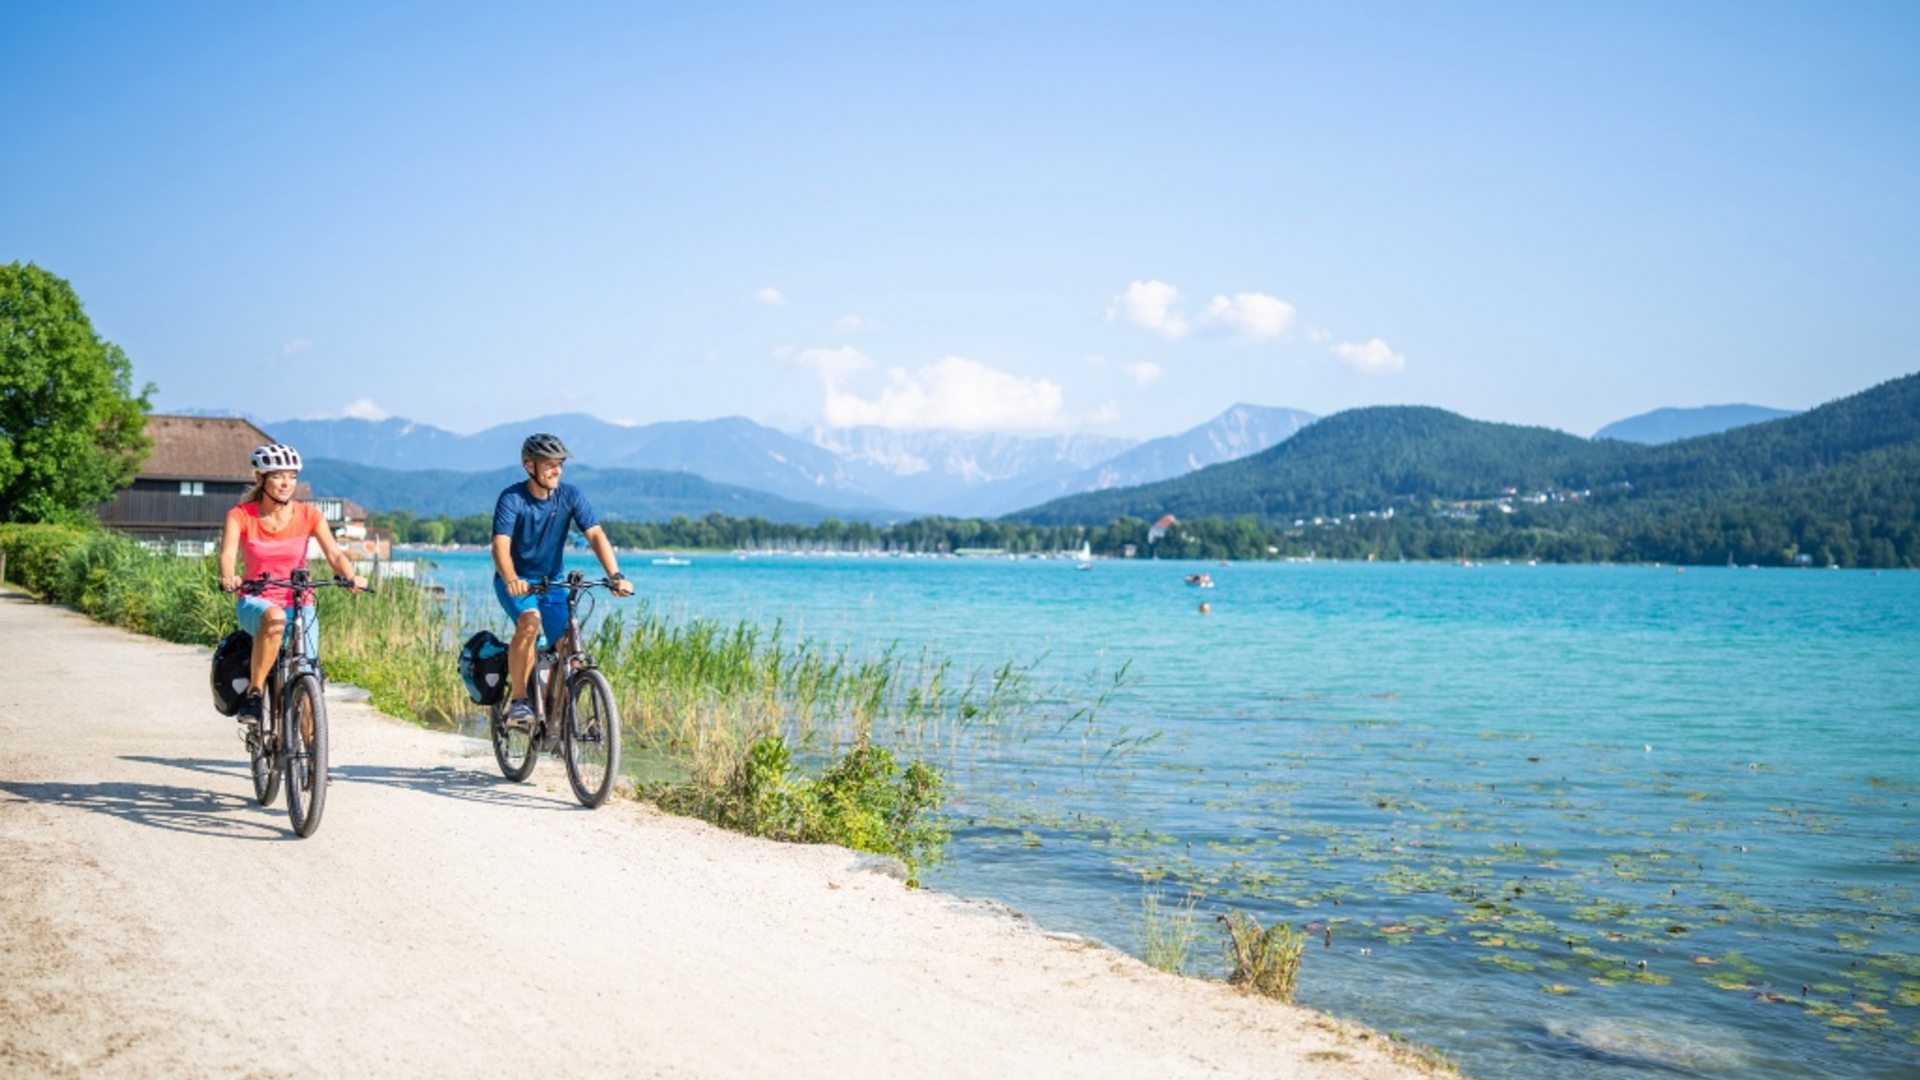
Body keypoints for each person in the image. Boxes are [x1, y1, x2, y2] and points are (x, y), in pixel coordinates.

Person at [218, 443, 368, 725]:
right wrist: (229, 575)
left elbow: (334, 553)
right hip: (256, 601)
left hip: (300, 603)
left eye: (292, 476)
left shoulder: (308, 515)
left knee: (308, 676)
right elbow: (227, 554)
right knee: (274, 618)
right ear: (260, 478)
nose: (286, 483)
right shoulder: (240, 515)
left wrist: (350, 576)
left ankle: (313, 764)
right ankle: (254, 693)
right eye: (278, 476)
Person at [492, 433, 633, 727]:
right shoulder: (512, 498)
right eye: (549, 464)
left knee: (571, 648)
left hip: (552, 583)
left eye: (560, 464)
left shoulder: (570, 496)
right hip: (517, 582)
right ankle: (519, 702)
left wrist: (615, 575)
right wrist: (511, 578)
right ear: (529, 466)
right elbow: (500, 545)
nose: (556, 470)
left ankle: (555, 716)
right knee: (529, 622)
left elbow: (594, 534)